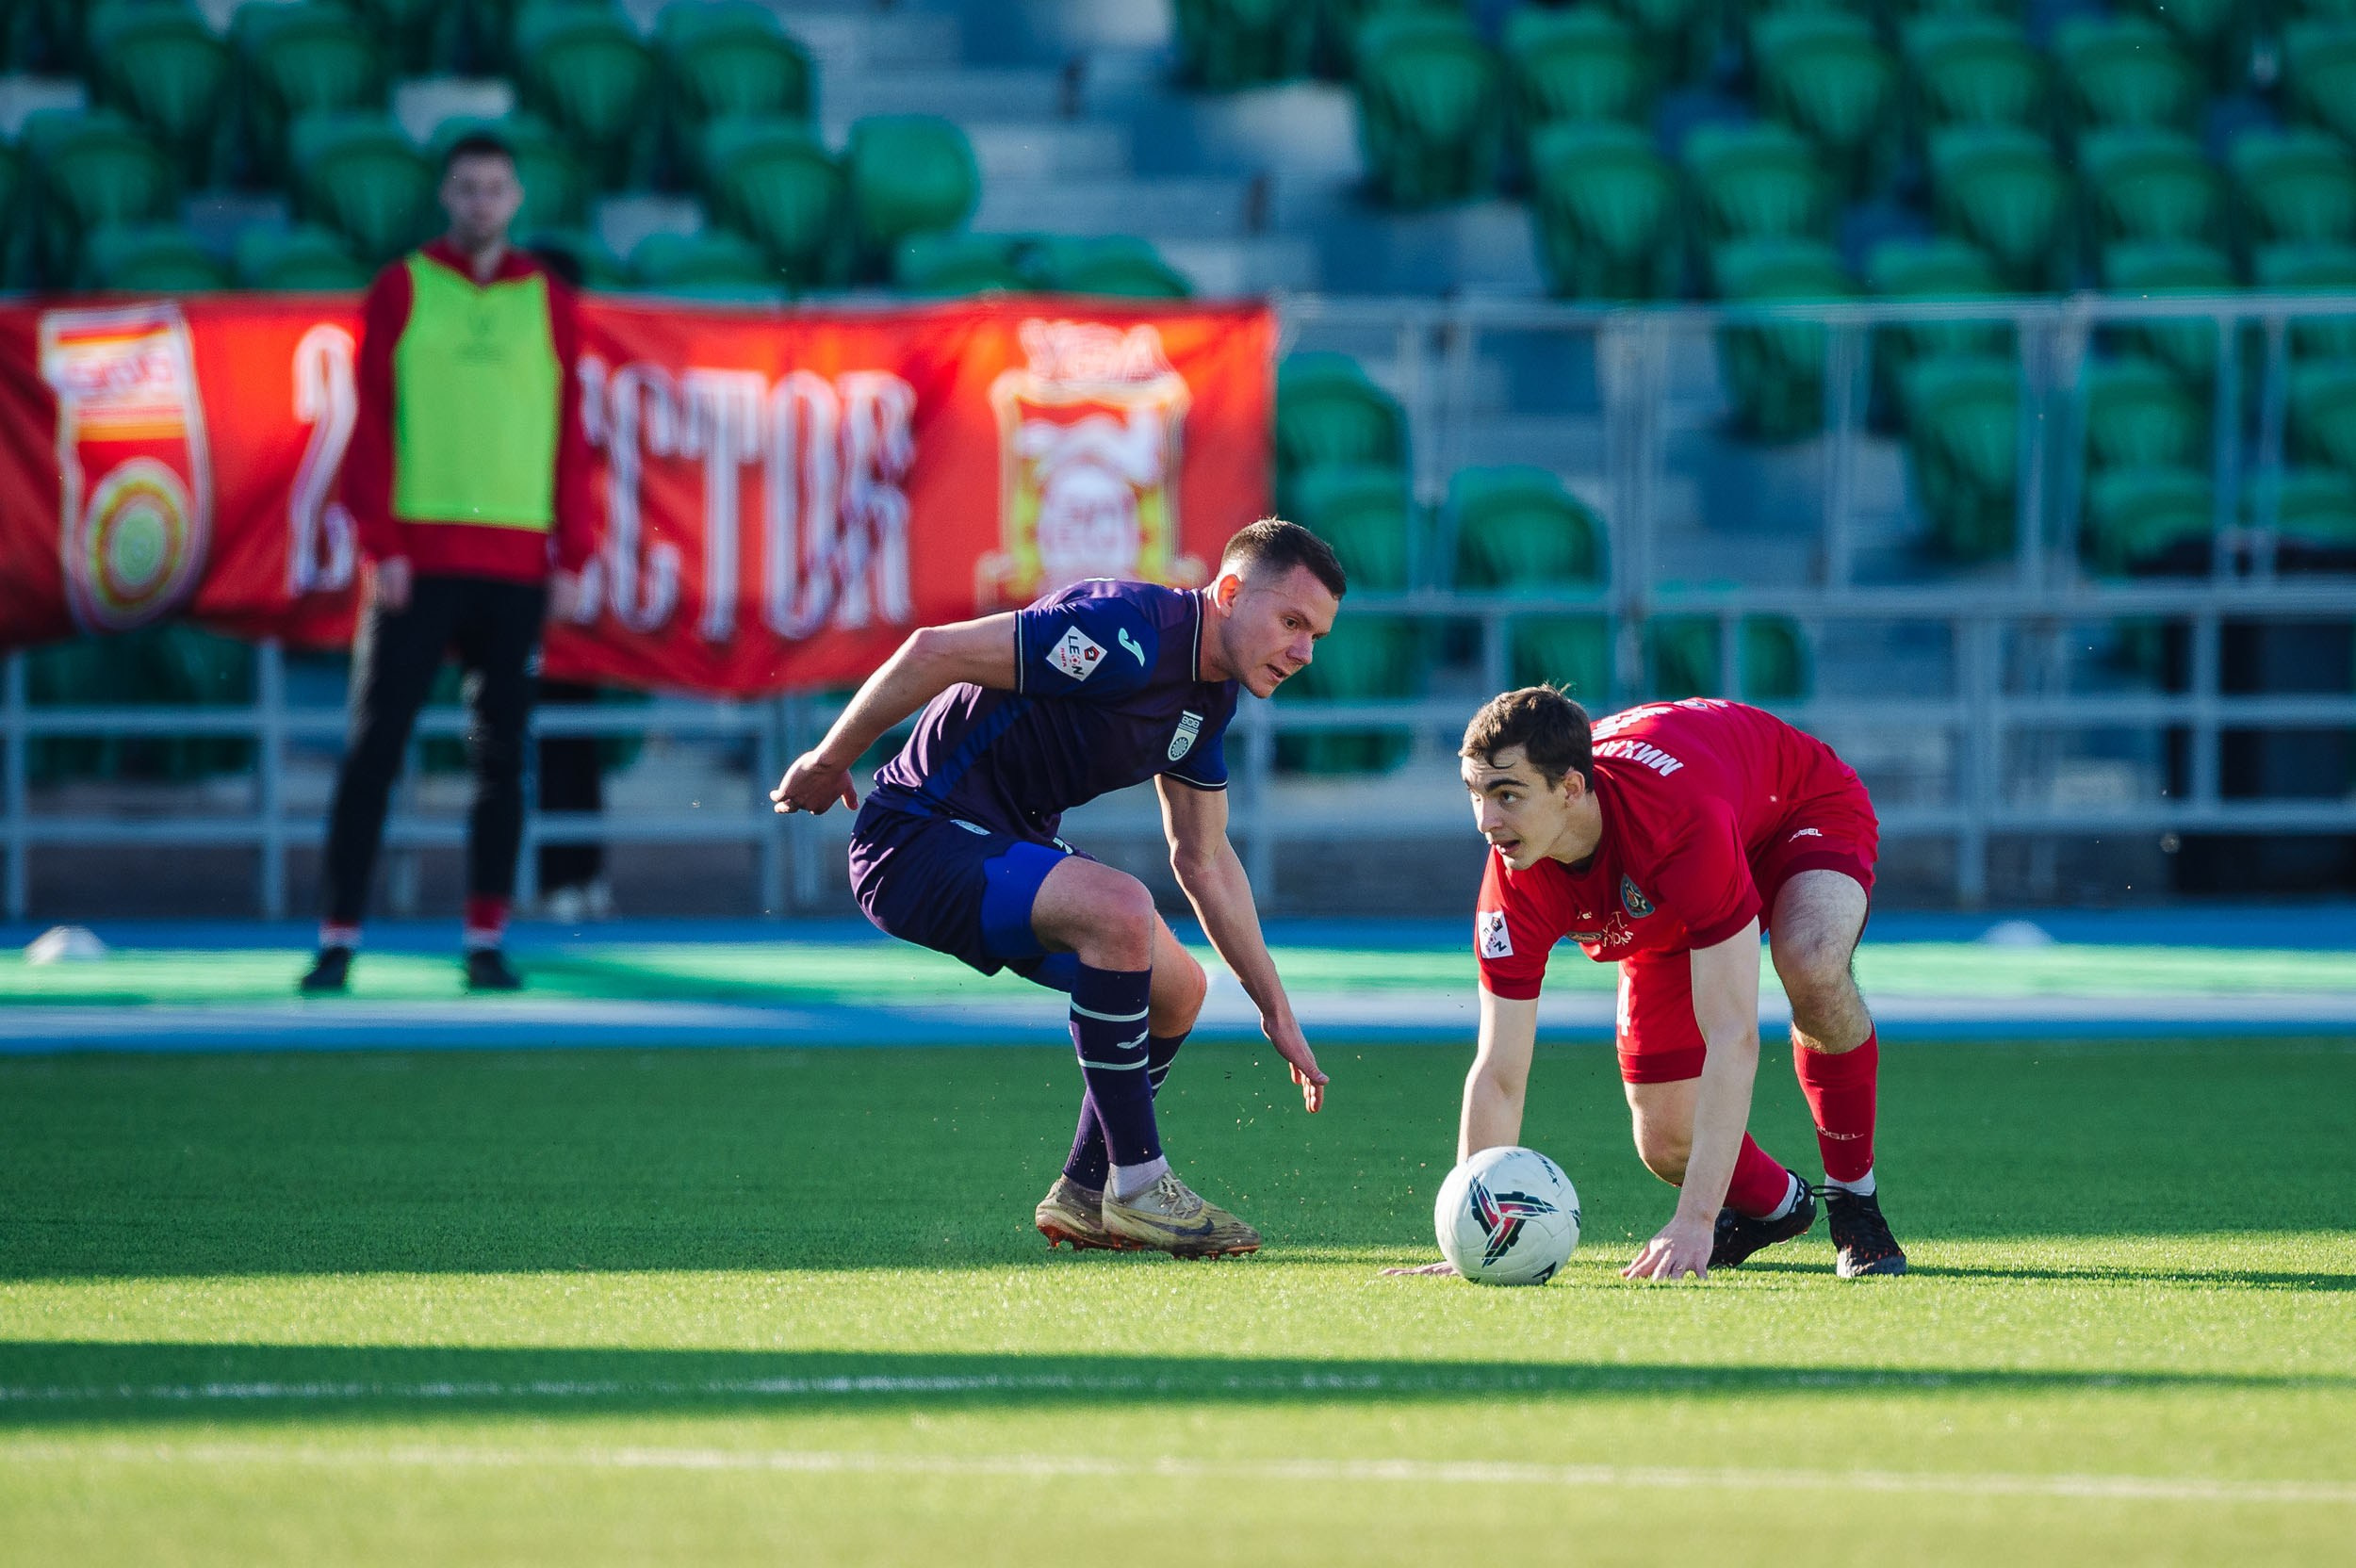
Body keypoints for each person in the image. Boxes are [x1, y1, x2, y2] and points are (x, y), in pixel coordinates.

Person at [769, 520, 1344, 1258]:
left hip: (1001, 846)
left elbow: (1203, 857)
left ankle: (1084, 1191)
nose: (1304, 652)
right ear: (1229, 593)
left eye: (1316, 636)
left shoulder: (1210, 698)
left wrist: (1275, 1010)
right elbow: (934, 650)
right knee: (1122, 910)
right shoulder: (1122, 632)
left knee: (1179, 989)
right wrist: (829, 760)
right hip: (913, 837)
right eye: (1292, 623)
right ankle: (1142, 1184)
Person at [1402, 688, 1906, 1281]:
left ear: (1571, 789)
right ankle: (1777, 1208)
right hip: (1673, 882)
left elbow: (1733, 1034)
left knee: (1811, 962)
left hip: (1795, 810)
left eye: (1507, 795)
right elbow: (1498, 1072)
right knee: (1666, 1140)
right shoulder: (1512, 878)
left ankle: (1853, 1198)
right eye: (1476, 793)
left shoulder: (1675, 820)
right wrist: (1467, 1236)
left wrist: (1694, 1219)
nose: (1486, 821)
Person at [299, 132, 594, 994]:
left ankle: (486, 939)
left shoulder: (549, 298)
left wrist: (574, 552)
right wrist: (381, 544)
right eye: (467, 188)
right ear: (445, 196)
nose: (481, 202)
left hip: (516, 561)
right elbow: (370, 422)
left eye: (495, 188)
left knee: (501, 758)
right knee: (374, 751)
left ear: (517, 198)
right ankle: (338, 937)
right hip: (417, 562)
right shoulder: (402, 286)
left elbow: (573, 432)